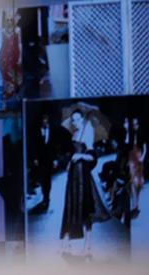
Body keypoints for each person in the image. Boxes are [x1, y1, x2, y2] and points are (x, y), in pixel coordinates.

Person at [59, 110, 110, 257]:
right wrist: (70, 161)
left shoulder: (88, 132)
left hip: (83, 177)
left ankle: (88, 246)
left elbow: (92, 157)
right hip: (73, 176)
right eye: (73, 120)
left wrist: (80, 155)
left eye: (77, 120)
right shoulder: (74, 134)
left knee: (86, 210)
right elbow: (70, 154)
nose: (75, 122)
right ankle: (66, 243)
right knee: (70, 207)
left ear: (82, 120)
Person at [30, 113, 69, 215]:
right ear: (41, 121)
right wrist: (34, 158)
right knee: (42, 178)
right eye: (44, 121)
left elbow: (55, 146)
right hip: (39, 159)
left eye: (47, 121)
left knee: (47, 178)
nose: (45, 123)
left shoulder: (52, 132)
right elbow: (33, 145)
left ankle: (46, 197)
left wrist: (55, 159)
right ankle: (44, 194)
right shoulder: (36, 131)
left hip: (49, 159)